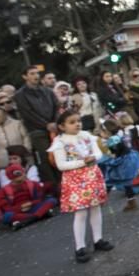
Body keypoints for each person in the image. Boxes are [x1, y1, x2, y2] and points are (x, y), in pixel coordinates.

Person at [48, 110, 112, 263]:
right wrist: (83, 162)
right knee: (81, 212)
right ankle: (80, 247)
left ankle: (98, 239)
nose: (77, 124)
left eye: (78, 121)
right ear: (62, 126)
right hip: (75, 180)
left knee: (96, 207)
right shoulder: (60, 142)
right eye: (72, 122)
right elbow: (61, 165)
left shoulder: (86, 136)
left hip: (91, 176)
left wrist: (93, 157)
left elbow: (98, 154)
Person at [13, 65, 60, 190]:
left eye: (37, 73)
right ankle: (55, 189)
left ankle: (65, 184)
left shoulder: (47, 91)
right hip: (37, 131)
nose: (36, 76)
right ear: (25, 76)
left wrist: (55, 122)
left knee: (60, 155)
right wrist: (45, 124)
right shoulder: (20, 95)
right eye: (32, 73)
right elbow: (28, 113)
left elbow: (56, 106)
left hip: (54, 128)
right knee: (46, 160)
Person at [99, 120, 139, 211]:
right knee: (126, 182)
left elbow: (115, 152)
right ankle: (131, 202)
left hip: (122, 162)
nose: (100, 134)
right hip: (128, 159)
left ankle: (100, 201)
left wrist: (109, 155)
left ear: (106, 131)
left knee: (109, 180)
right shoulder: (119, 135)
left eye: (101, 132)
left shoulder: (113, 139)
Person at [0, 165, 57, 230]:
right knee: (7, 216)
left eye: (21, 173)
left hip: (33, 207)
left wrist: (31, 203)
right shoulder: (2, 191)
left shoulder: (33, 184)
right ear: (10, 177)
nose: (20, 176)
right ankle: (40, 215)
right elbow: (6, 208)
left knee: (52, 201)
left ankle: (27, 220)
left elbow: (39, 198)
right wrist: (20, 208)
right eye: (17, 175)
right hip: (18, 212)